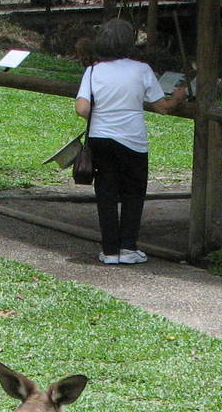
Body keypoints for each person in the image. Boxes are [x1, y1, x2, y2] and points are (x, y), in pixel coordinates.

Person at [75, 18, 188, 264]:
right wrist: (178, 97)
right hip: (132, 139)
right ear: (129, 43)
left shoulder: (92, 71)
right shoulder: (142, 69)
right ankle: (128, 248)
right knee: (133, 192)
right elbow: (163, 107)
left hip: (100, 138)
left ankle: (109, 251)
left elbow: (82, 108)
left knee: (105, 193)